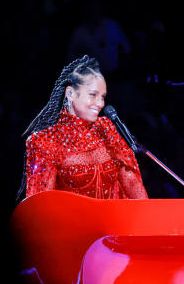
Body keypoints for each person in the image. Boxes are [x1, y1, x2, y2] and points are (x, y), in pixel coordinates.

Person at [20, 55, 148, 200]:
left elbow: (131, 183)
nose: (100, 104)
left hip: (114, 220)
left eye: (103, 97)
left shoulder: (107, 128)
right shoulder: (45, 141)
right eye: (93, 95)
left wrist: (148, 218)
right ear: (70, 93)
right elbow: (42, 204)